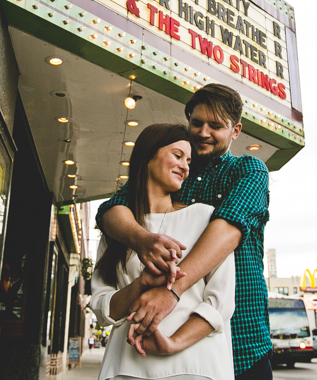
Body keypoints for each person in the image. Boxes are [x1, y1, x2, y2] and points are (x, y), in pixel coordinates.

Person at [97, 84, 271, 380]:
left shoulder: (248, 170)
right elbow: (110, 211)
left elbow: (228, 228)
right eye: (197, 122)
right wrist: (142, 239)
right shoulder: (173, 176)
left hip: (244, 336)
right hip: (160, 346)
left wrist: (171, 291)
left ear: (236, 130)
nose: (203, 132)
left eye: (215, 126)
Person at [90, 123, 236, 380]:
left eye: (188, 160)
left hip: (196, 366)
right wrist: (140, 284)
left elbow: (221, 302)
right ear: (148, 156)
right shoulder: (118, 228)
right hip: (127, 366)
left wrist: (173, 343)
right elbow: (103, 309)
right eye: (177, 155)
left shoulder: (205, 217)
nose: (185, 166)